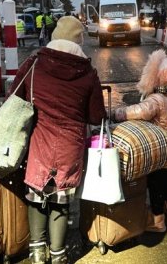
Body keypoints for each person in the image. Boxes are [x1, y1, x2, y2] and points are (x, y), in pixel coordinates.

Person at [8, 16, 106, 264]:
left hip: (40, 141)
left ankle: (37, 251)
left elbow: (14, 96)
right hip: (69, 145)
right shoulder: (87, 72)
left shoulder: (34, 63)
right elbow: (96, 117)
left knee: (37, 195)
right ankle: (59, 253)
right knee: (60, 199)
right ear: (79, 41)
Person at [111, 49, 167, 233]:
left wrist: (116, 113)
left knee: (155, 185)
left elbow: (140, 111)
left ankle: (158, 220)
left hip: (156, 151)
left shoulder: (157, 99)